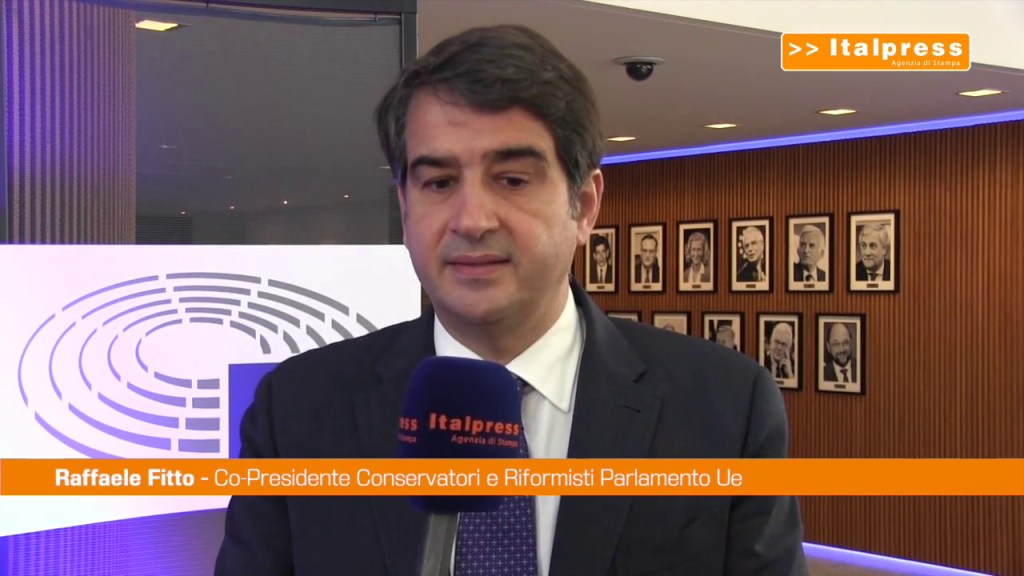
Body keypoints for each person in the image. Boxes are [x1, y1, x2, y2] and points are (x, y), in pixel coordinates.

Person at [215, 24, 807, 576]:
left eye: (513, 180)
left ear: (585, 205)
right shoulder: (297, 411)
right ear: (404, 206)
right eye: (439, 182)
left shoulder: (725, 407)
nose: (472, 220)